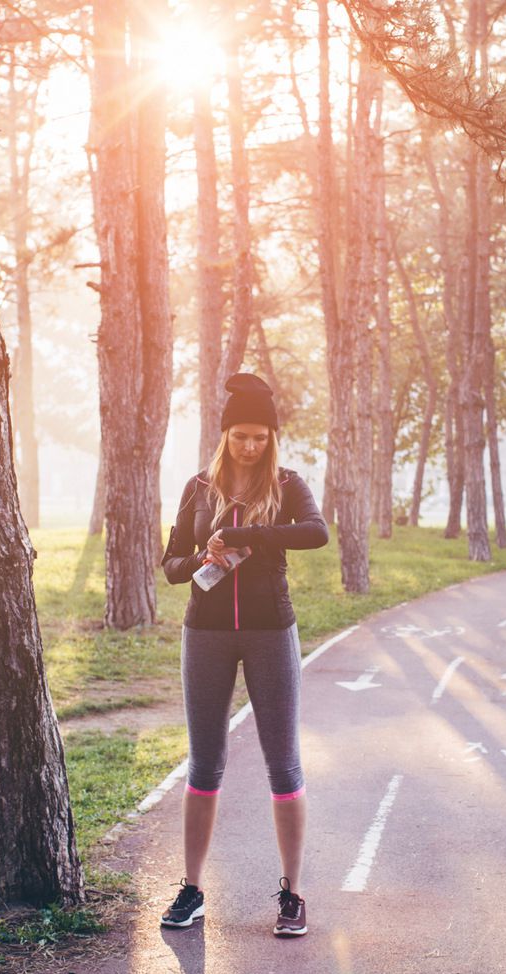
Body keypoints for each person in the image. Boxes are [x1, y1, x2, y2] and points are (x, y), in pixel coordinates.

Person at [158, 373, 329, 938]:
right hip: (205, 633)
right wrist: (205, 550)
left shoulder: (287, 482)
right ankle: (192, 888)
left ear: (271, 438)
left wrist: (256, 534)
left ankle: (292, 893)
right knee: (204, 763)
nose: (249, 446)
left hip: (269, 631)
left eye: (259, 436)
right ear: (225, 434)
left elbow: (316, 533)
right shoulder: (198, 488)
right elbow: (172, 565)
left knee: (283, 763)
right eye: (240, 436)